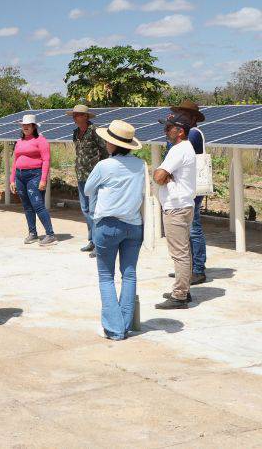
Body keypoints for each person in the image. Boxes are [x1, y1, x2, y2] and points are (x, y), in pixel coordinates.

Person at [85, 120, 146, 340]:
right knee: (129, 275)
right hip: (134, 225)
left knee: (106, 276)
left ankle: (114, 329)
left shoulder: (104, 166)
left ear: (112, 144)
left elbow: (88, 188)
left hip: (108, 225)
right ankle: (124, 324)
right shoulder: (141, 165)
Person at [154, 112, 198, 310]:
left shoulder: (178, 150)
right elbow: (164, 176)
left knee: (179, 253)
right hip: (183, 205)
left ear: (180, 131)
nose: (165, 130)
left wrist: (161, 174)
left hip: (176, 208)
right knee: (183, 251)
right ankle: (184, 290)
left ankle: (179, 295)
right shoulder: (184, 148)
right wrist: (164, 176)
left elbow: (158, 176)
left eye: (169, 127)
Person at [169, 100, 208, 285]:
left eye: (183, 114)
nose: (179, 117)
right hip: (187, 188)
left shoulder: (193, 134)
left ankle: (198, 269)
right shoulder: (189, 132)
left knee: (194, 229)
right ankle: (187, 267)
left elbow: (175, 149)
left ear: (192, 118)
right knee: (187, 230)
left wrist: (173, 131)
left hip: (192, 189)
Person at [69, 105, 108, 256]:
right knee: (85, 210)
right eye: (74, 115)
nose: (75, 117)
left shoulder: (95, 131)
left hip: (94, 177)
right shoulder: (75, 133)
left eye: (78, 115)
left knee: (94, 211)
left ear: (86, 116)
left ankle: (99, 244)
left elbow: (104, 151)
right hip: (81, 176)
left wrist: (102, 171)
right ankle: (92, 240)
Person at [11, 114, 56, 246]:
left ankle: (50, 234)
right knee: (27, 206)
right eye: (23, 125)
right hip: (19, 176)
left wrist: (43, 179)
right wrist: (12, 179)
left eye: (28, 125)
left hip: (34, 175)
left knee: (37, 205)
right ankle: (33, 234)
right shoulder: (19, 142)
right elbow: (15, 161)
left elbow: (46, 160)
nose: (25, 127)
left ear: (34, 127)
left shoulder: (41, 140)